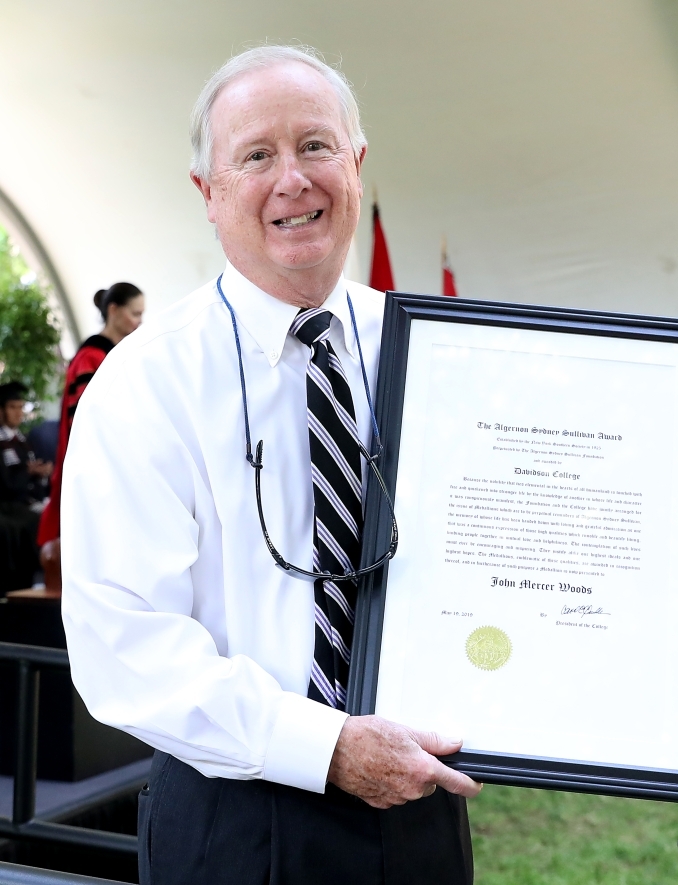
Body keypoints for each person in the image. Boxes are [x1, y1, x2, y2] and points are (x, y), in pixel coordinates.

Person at [61, 46, 480, 885]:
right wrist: (326, 747)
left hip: (421, 811)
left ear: (356, 166)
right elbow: (126, 646)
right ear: (207, 193)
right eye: (256, 155)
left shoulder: (435, 352)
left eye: (317, 146)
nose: (293, 179)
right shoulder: (145, 383)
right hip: (242, 815)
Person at [37, 282, 144, 588]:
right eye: (135, 313)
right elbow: (86, 426)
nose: (139, 322)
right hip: (92, 465)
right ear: (114, 311)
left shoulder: (119, 354)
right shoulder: (90, 357)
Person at [0, 381, 53, 593]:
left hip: (27, 503)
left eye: (21, 407)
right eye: (13, 407)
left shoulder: (22, 441)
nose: (18, 412)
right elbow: (6, 484)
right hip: (7, 506)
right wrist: (28, 472)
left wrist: (41, 475)